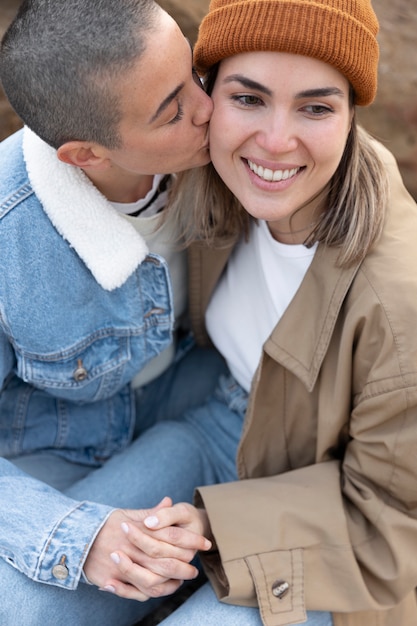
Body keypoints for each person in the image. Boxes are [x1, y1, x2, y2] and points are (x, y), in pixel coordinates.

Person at [110, 0, 417, 624]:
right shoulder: (210, 173)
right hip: (221, 420)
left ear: (351, 115)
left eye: (315, 106)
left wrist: (216, 525)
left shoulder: (399, 305)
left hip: (331, 519)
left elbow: (393, 527)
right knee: (30, 594)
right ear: (206, 98)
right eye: (248, 98)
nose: (276, 141)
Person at [0, 0, 228, 624]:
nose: (209, 109)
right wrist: (83, 539)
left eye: (193, 74)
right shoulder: (5, 233)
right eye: (173, 111)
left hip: (196, 415)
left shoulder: (235, 146)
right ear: (85, 156)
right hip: (54, 451)